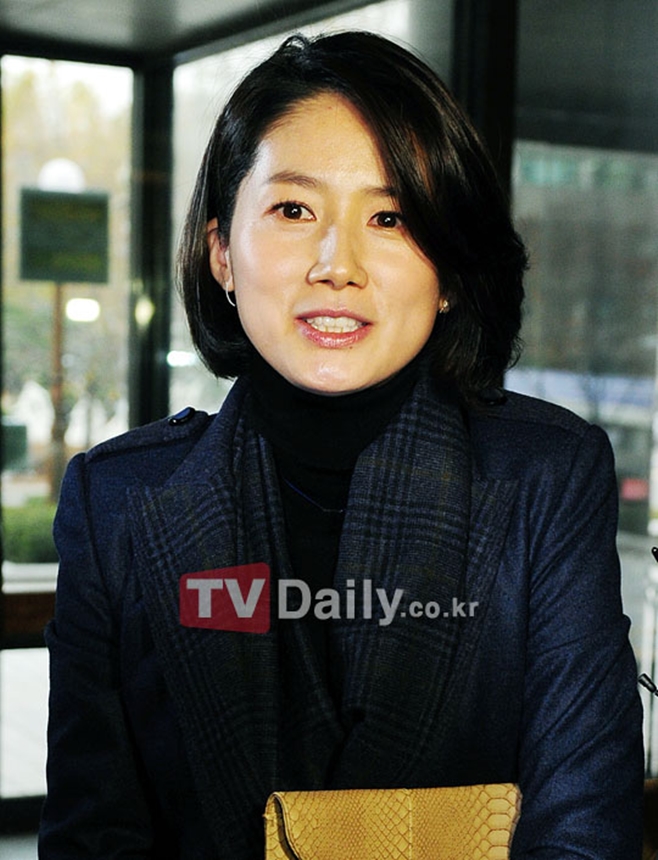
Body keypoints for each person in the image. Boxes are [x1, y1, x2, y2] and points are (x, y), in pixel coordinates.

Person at [39, 30, 643, 859]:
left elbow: (583, 829)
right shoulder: (115, 503)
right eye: (294, 211)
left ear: (451, 273)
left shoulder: (545, 476)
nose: (337, 263)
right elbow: (91, 836)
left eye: (390, 217)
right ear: (221, 252)